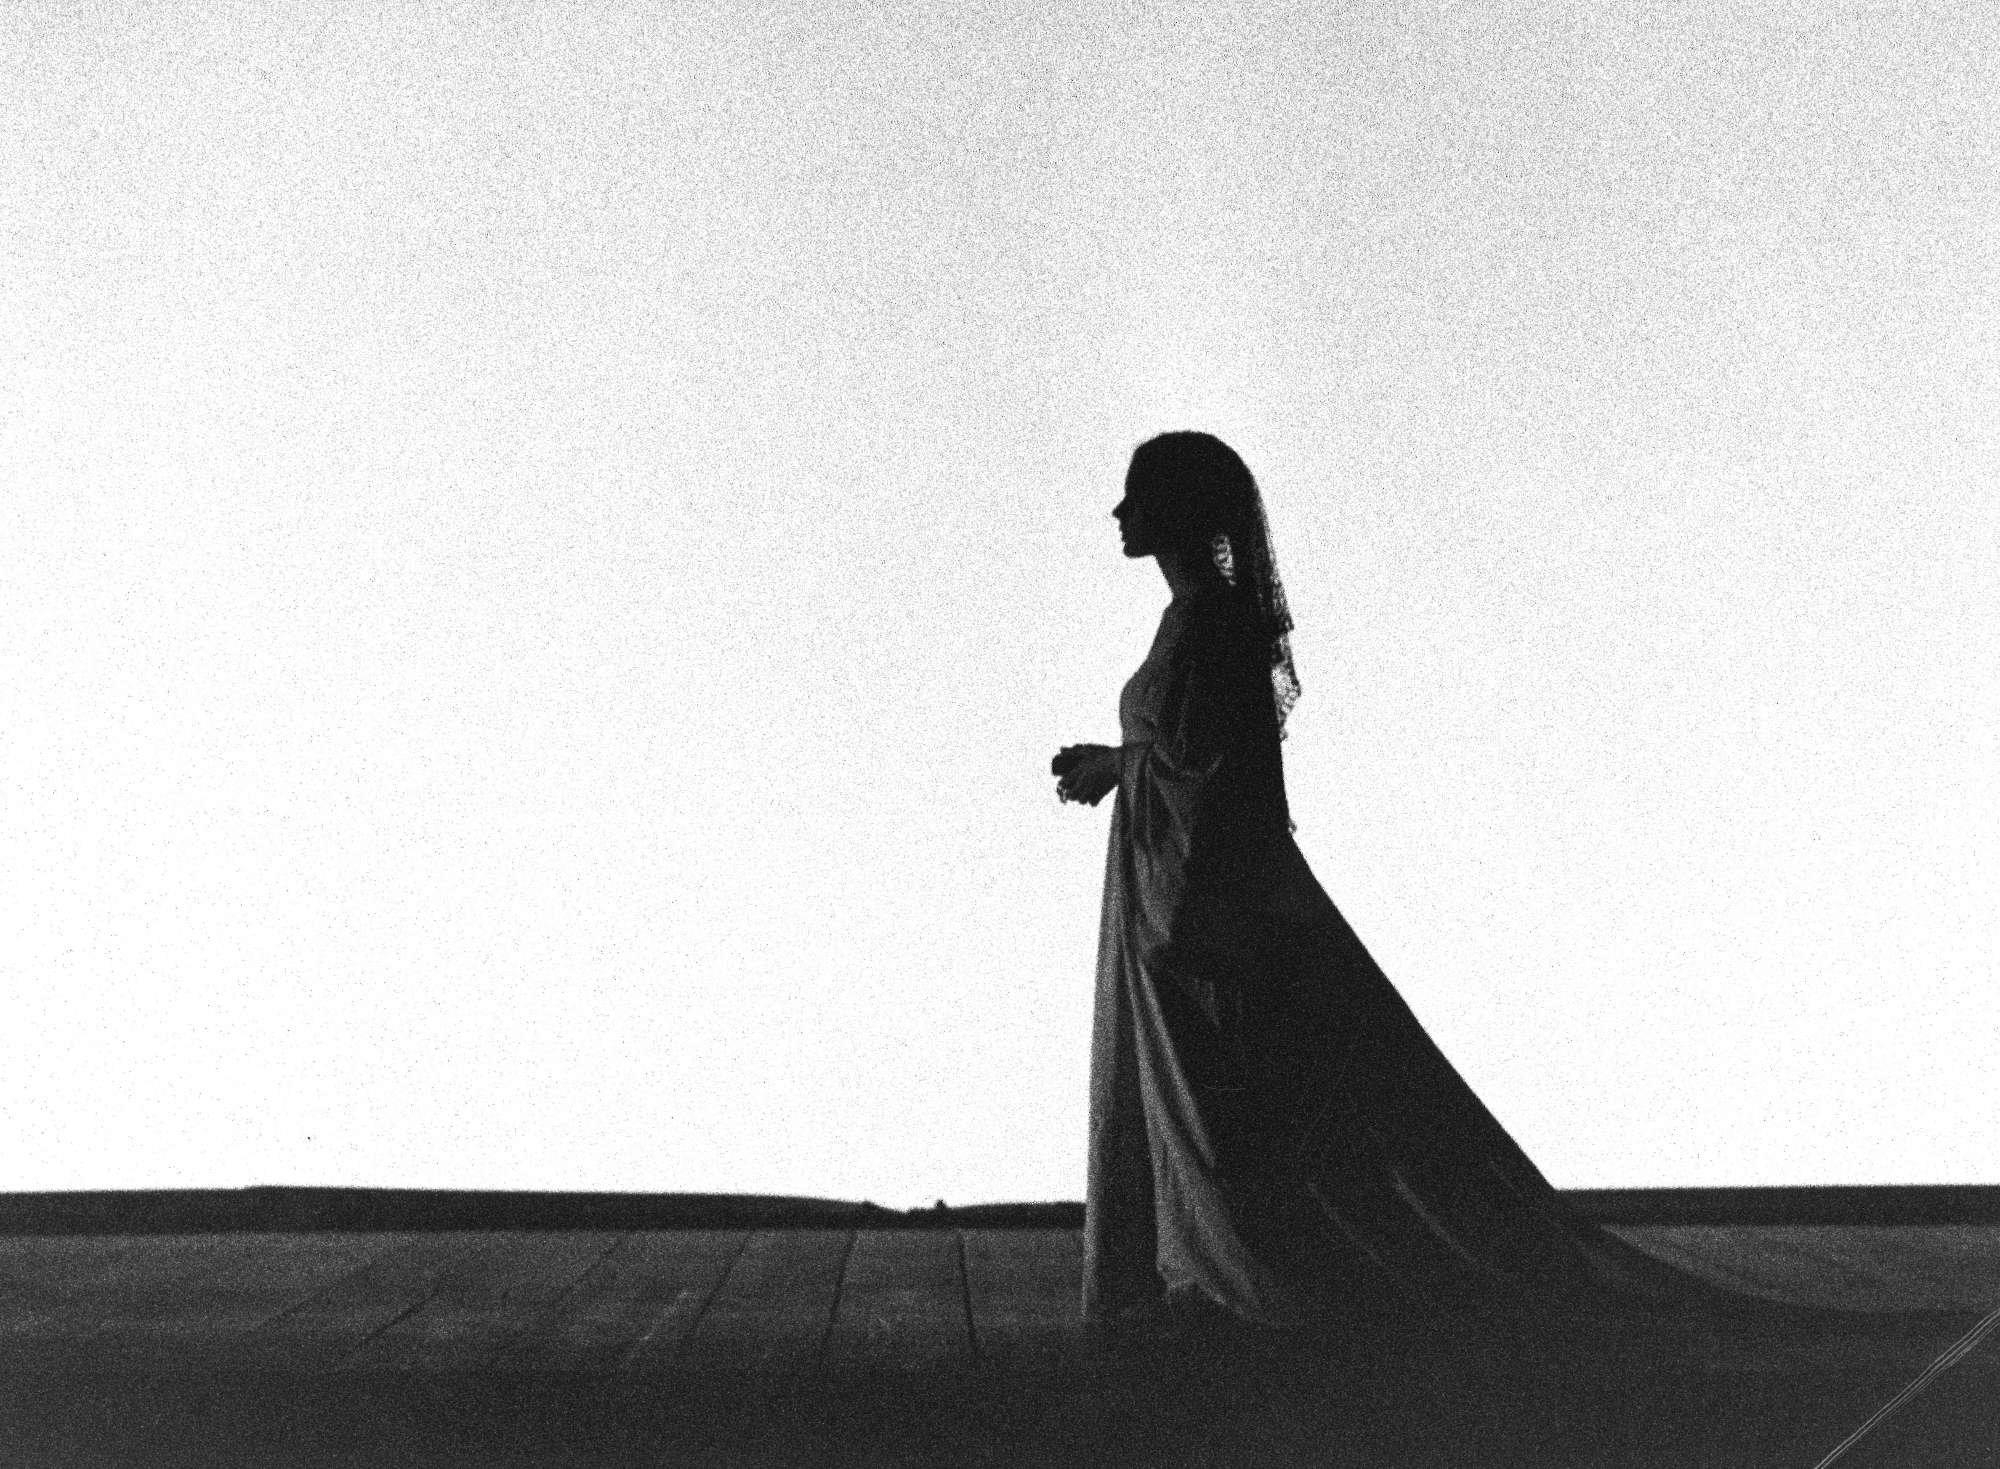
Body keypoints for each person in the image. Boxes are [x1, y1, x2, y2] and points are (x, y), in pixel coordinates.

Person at [1051, 432, 1751, 1344]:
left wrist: (1130, 780)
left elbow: (1219, 775)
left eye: (1138, 494)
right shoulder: (1192, 619)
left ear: (1178, 510)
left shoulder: (1215, 622)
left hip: (1197, 905)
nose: (1120, 512)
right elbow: (1186, 754)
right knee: (1205, 1100)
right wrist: (1118, 764)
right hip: (1166, 890)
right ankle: (1208, 1272)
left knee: (1225, 1102)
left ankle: (1243, 1286)